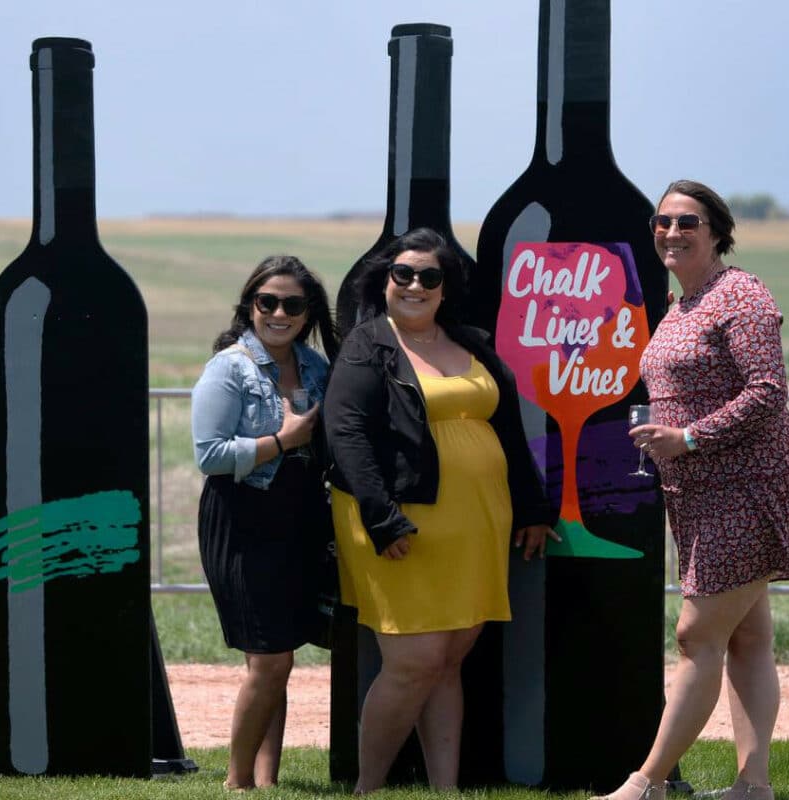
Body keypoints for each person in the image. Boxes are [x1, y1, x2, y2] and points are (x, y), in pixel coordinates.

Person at [593, 181, 789, 800]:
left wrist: (688, 438)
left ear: (717, 231)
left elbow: (766, 392)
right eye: (662, 221)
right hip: (701, 496)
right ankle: (753, 786)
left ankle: (644, 784)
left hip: (747, 490)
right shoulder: (682, 304)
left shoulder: (741, 294)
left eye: (687, 221)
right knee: (747, 638)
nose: (671, 232)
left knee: (696, 637)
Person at [324, 227, 558, 794]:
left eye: (429, 276)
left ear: (446, 288)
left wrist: (532, 507)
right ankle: (367, 789)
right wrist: (381, 518)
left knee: (448, 659)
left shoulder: (471, 342)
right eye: (402, 273)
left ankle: (445, 790)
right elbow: (345, 432)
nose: (415, 285)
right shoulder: (368, 345)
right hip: (399, 524)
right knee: (413, 661)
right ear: (383, 282)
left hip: (477, 524)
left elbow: (506, 431)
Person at [191, 254, 340, 790]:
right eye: (267, 301)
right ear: (250, 305)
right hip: (243, 517)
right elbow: (209, 454)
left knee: (280, 656)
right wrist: (283, 440)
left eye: (293, 304)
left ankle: (268, 781)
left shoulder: (317, 367)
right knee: (270, 659)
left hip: (298, 519)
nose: (279, 312)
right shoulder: (229, 367)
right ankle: (237, 782)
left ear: (308, 312)